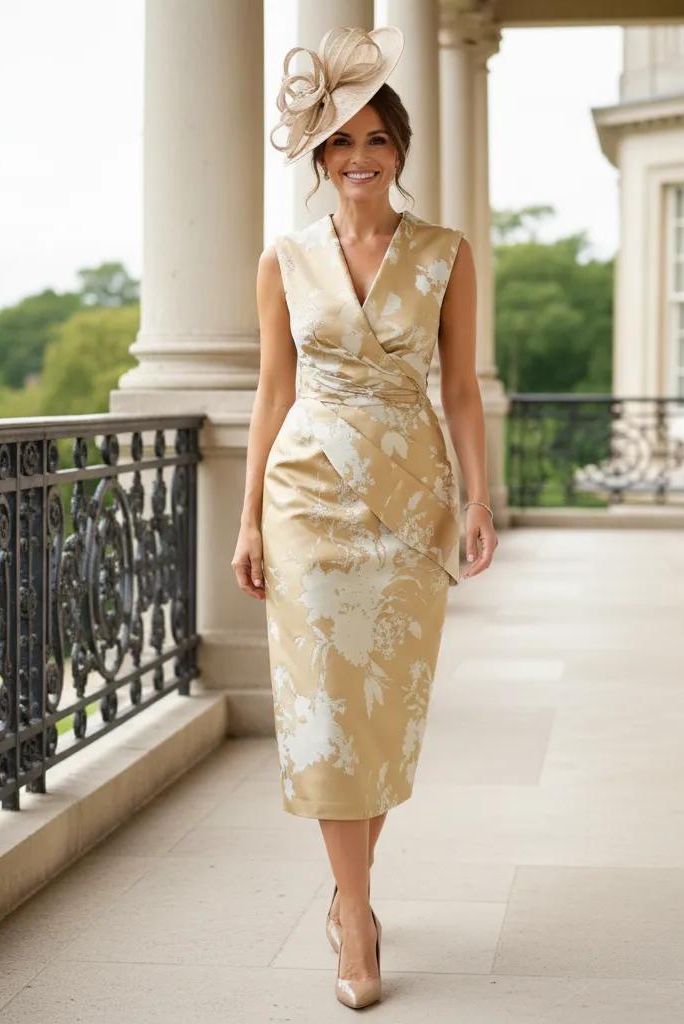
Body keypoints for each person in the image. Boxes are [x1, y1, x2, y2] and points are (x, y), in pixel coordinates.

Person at [231, 24, 497, 1010]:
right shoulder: (283, 260)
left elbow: (461, 389)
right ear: (317, 154)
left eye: (374, 140)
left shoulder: (444, 255)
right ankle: (353, 913)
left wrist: (474, 499)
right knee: (325, 710)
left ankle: (350, 894)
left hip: (409, 500)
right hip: (307, 496)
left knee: (380, 711)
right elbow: (270, 392)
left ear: (400, 151)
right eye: (338, 142)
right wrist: (250, 518)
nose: (356, 158)